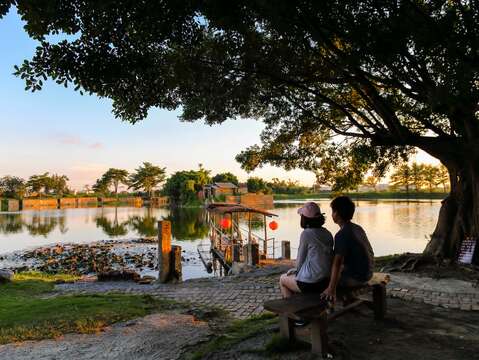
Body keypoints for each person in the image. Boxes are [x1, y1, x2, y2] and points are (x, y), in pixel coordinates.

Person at [321, 196, 374, 303]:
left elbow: (338, 263)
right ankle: (348, 303)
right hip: (368, 273)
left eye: (333, 211)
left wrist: (331, 289)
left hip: (357, 279)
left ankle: (321, 312)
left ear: (336, 213)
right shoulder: (357, 228)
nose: (332, 214)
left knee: (319, 281)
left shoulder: (342, 235)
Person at [279, 202, 333, 298]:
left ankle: (289, 309)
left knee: (283, 279)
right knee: (294, 277)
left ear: (305, 219)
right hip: (326, 281)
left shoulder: (306, 234)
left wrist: (296, 270)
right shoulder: (328, 233)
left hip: (310, 283)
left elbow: (300, 260)